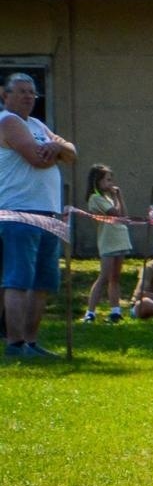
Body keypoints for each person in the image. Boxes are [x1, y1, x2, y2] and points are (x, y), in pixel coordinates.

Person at [1, 73, 75, 357]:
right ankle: (15, 344)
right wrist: (57, 151)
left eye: (32, 92)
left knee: (42, 282)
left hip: (48, 213)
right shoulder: (8, 121)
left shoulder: (37, 125)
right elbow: (38, 159)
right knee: (19, 280)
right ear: (4, 95)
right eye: (21, 92)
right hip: (19, 212)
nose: (29, 97)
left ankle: (31, 342)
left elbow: (73, 153)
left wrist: (57, 147)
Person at [82, 163, 133, 323]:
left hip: (120, 239)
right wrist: (117, 198)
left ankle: (115, 311)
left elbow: (124, 215)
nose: (111, 183)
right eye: (107, 180)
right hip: (108, 242)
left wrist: (119, 197)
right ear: (98, 181)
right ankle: (90, 312)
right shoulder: (95, 198)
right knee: (104, 277)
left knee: (115, 277)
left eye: (111, 180)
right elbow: (114, 213)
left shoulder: (108, 198)